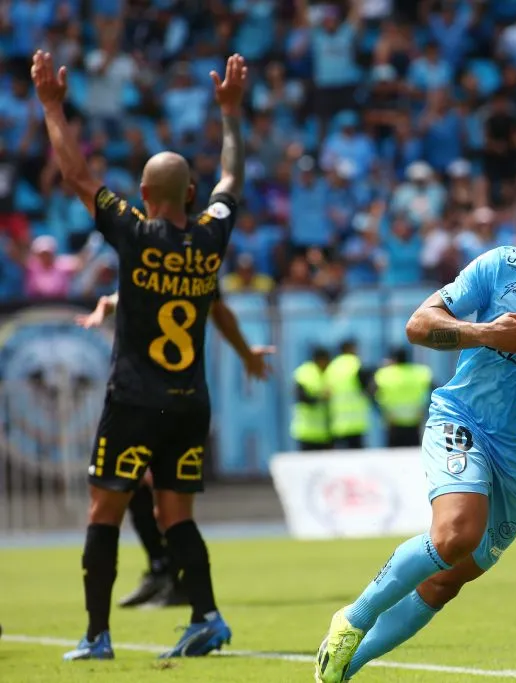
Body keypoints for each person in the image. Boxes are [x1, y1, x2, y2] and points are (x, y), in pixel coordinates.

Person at [313, 188, 516, 683]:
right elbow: (419, 325)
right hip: (463, 418)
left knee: (449, 578)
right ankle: (351, 619)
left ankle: (340, 671)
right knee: (456, 533)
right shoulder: (501, 266)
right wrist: (485, 333)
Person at [31, 50, 249, 659]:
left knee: (105, 511)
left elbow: (75, 174)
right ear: (189, 193)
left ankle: (97, 635)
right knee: (175, 514)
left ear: (147, 192)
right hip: (189, 403)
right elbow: (231, 181)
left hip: (134, 399)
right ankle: (206, 616)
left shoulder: (133, 230)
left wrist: (52, 104)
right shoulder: (211, 235)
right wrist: (230, 116)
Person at [76, 289, 273, 608]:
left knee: (163, 506)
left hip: (155, 400)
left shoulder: (167, 259)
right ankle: (168, 575)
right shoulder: (187, 260)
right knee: (152, 498)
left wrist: (107, 305)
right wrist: (106, 304)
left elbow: (217, 310)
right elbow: (218, 310)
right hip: (176, 398)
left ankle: (175, 583)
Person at [374, 347, 433, 447]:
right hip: (415, 419)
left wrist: (381, 412)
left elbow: (372, 394)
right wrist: (425, 410)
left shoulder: (384, 374)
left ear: (393, 359)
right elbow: (436, 391)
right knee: (412, 455)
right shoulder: (421, 372)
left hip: (393, 421)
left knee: (394, 457)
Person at [324, 339, 375, 449]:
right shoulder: (356, 364)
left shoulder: (332, 367)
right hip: (356, 424)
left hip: (338, 423)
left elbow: (327, 392)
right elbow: (369, 388)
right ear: (350, 349)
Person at [292, 346, 333, 451]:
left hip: (326, 433)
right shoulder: (304, 373)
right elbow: (300, 397)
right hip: (307, 432)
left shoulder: (328, 373)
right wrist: (321, 398)